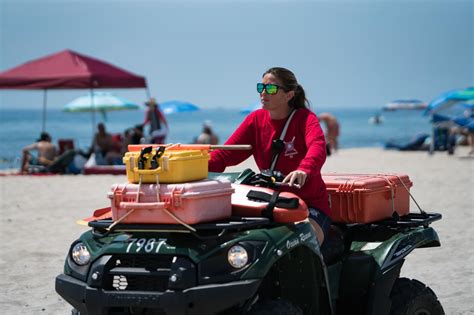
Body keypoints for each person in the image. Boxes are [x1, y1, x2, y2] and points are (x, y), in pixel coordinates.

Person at [209, 67, 331, 244]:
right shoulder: (255, 119)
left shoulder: (305, 118)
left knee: (301, 243)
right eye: (261, 87)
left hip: (309, 205)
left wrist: (304, 169)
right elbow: (225, 155)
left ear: (289, 95)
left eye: (271, 89)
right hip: (271, 203)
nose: (263, 93)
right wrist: (191, 165)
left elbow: (317, 147)